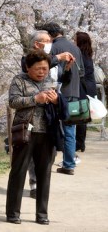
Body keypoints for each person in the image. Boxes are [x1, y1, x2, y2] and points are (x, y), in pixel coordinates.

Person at [6, 50, 64, 225]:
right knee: (18, 172)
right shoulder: (19, 80)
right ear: (28, 67)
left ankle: (42, 214)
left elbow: (59, 104)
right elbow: (13, 102)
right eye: (38, 68)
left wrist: (56, 101)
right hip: (25, 132)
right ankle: (13, 213)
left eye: (45, 68)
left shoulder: (50, 81)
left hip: (47, 133)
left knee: (44, 174)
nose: (42, 72)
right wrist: (35, 99)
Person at [20, 30, 74, 198]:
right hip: (32, 112)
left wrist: (67, 69)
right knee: (31, 149)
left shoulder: (54, 59)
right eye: (47, 41)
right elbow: (26, 67)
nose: (51, 43)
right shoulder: (28, 58)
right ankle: (34, 183)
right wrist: (58, 59)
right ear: (37, 44)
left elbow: (62, 81)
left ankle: (43, 181)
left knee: (49, 152)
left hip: (51, 111)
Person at [39, 22, 84, 175]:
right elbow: (82, 71)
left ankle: (46, 159)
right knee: (70, 129)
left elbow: (43, 67)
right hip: (74, 92)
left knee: (49, 125)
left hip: (56, 93)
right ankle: (69, 164)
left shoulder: (52, 48)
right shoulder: (76, 48)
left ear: (50, 35)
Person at [74, 31, 96, 152]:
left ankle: (79, 144)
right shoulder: (87, 54)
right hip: (89, 87)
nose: (73, 41)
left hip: (83, 87)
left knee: (80, 116)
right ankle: (80, 143)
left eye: (75, 39)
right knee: (82, 116)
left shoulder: (79, 55)